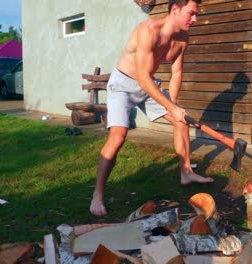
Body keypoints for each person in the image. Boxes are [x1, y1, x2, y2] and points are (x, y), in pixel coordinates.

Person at [90, 0, 214, 217]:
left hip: (148, 84)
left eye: (196, 15)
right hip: (124, 84)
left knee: (180, 121)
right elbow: (142, 76)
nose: (195, 19)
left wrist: (173, 105)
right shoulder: (148, 30)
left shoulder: (183, 37)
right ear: (175, 9)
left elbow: (176, 72)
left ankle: (186, 172)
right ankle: (98, 194)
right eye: (192, 13)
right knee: (118, 136)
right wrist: (169, 106)